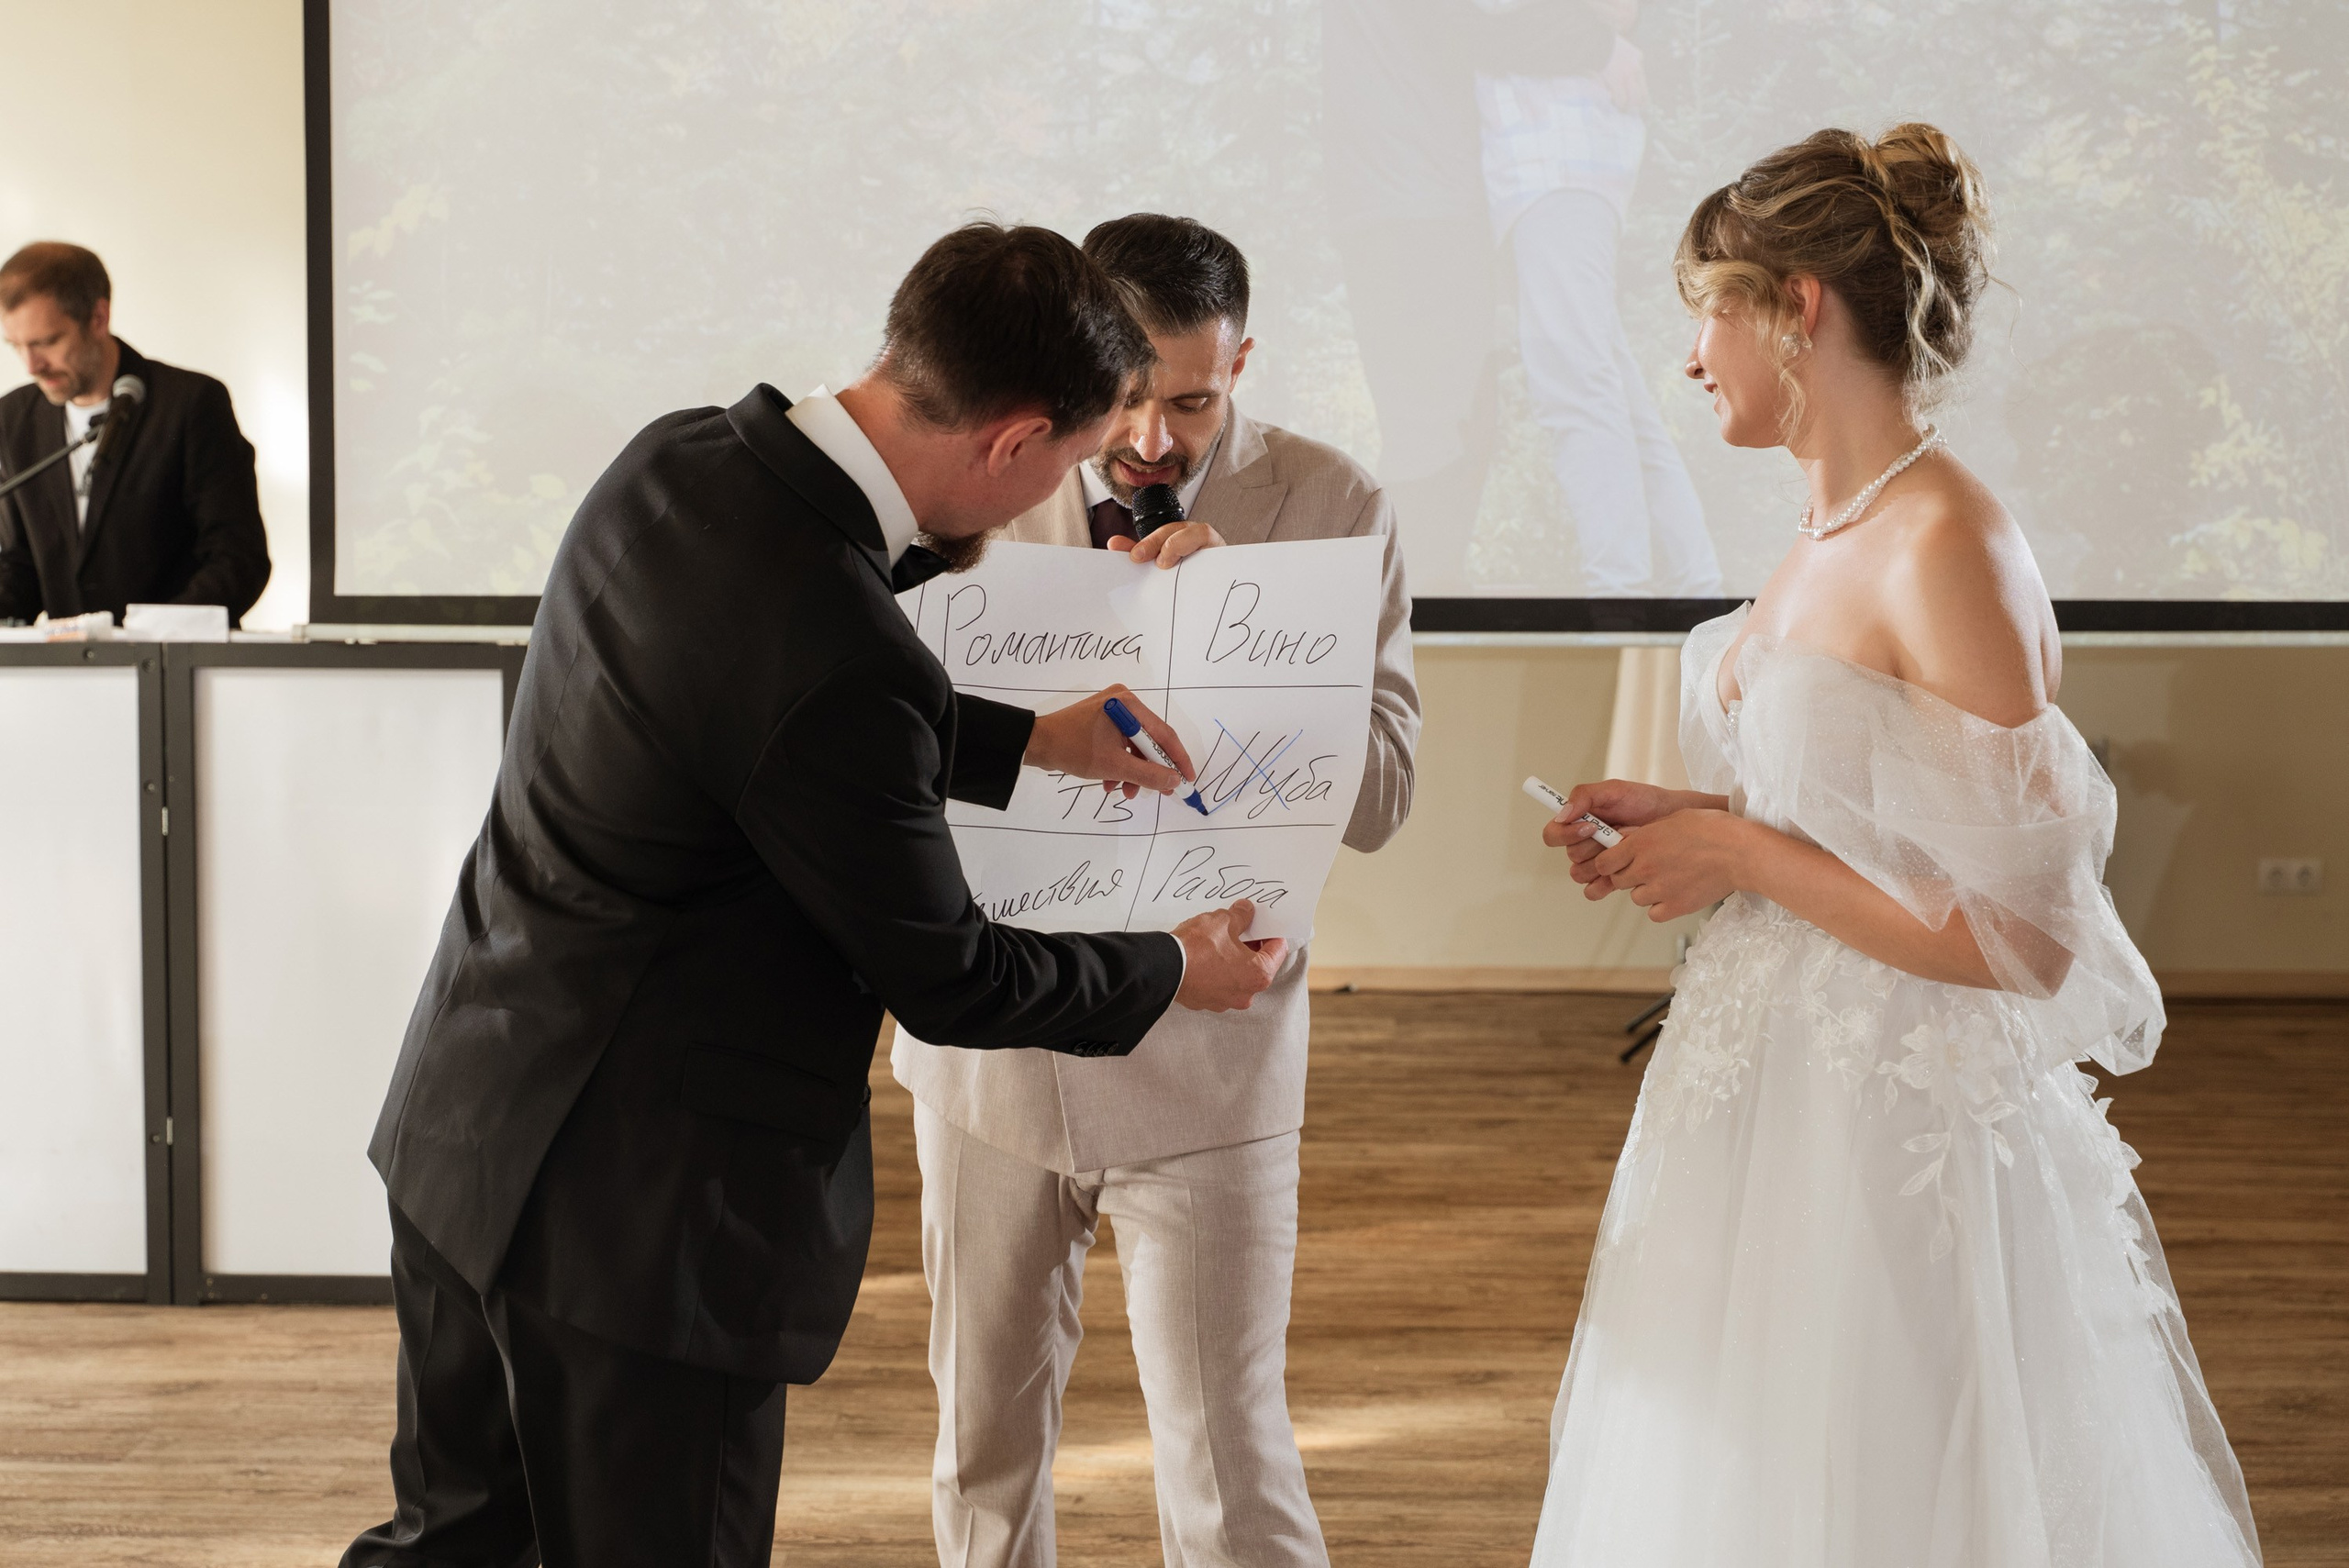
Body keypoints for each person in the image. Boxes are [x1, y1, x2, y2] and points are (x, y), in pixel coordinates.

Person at [340, 223, 1288, 1568]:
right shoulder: (848, 661)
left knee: (451, 1546)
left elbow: (760, 710)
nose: (1087, 475)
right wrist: (1174, 967)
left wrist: (1026, 739)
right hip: (650, 1232)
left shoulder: (674, 458)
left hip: (471, 1126)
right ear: (1016, 440)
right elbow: (954, 976)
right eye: (1078, 455)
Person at [1529, 126, 2259, 1565]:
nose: (1692, 359)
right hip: (1773, 1096)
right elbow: (1870, 826)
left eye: (1707, 313)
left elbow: (2023, 937)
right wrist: (1704, 818)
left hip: (1889, 1123)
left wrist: (1741, 863)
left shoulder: (1947, 543)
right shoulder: (1826, 528)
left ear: (1796, 305)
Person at [893, 214, 1421, 1568]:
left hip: (1216, 1050)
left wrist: (1248, 634)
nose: (1154, 436)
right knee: (981, 1449)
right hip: (996, 1046)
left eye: (1194, 397)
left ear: (1246, 361)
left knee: (1229, 1457)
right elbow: (900, 754)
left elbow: (1381, 803)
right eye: (1128, 394)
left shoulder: (1337, 505)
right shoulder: (982, 488)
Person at [1474, 0, 1721, 595]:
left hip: (1558, 162)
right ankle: (1698, 588)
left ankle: (1618, 600)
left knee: (1576, 385)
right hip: (1560, 163)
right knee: (1609, 387)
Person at [0, 241, 271, 625]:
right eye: (16, 346)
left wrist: (146, 636)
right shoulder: (13, 418)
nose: (32, 365)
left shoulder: (191, 404)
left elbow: (237, 559)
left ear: (98, 317)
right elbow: (18, 567)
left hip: (174, 670)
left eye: (47, 342)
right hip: (66, 675)